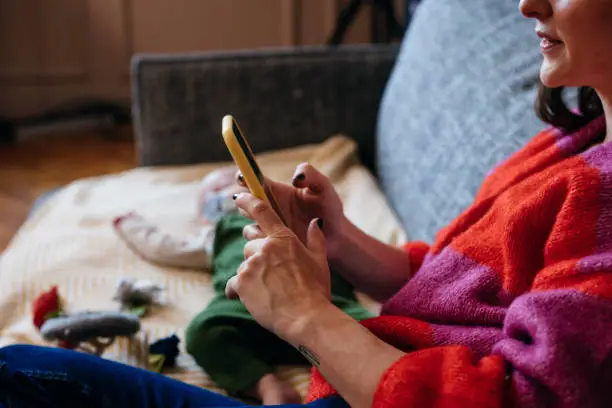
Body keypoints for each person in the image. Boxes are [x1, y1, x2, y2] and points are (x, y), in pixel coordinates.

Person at [1, 0, 612, 406]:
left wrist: (306, 317)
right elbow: (464, 290)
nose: (529, 2)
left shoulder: (603, 203)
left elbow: (524, 398)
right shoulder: (571, 140)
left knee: (17, 376)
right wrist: (339, 239)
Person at [113, 167, 372, 404]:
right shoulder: (216, 234)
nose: (233, 189)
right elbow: (165, 247)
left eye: (239, 182)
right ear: (209, 211)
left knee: (377, 329)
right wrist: (131, 224)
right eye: (218, 191)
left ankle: (354, 374)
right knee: (205, 331)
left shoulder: (293, 219)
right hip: (247, 308)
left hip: (323, 302)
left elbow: (346, 255)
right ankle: (267, 385)